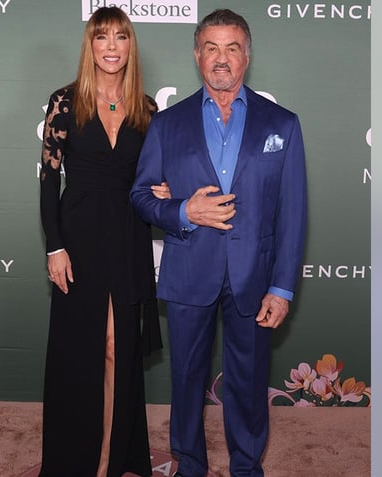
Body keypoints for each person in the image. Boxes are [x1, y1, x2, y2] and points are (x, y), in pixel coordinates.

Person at [130, 9, 307, 477]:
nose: (221, 59)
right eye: (211, 48)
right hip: (190, 270)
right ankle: (190, 466)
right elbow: (141, 196)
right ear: (196, 55)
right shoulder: (167, 124)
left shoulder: (283, 124)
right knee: (186, 381)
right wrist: (184, 211)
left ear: (247, 56)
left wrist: (283, 287)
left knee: (248, 385)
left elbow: (293, 213)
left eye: (232, 48)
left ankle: (247, 467)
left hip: (255, 275)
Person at [38, 7, 168, 477]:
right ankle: (77, 457)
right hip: (79, 240)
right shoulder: (65, 102)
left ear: (131, 46)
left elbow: (154, 177)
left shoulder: (147, 108)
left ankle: (110, 460)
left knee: (118, 349)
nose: (111, 47)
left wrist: (164, 191)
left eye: (120, 37)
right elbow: (48, 181)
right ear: (89, 46)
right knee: (81, 355)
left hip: (129, 238)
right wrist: (55, 246)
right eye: (101, 37)